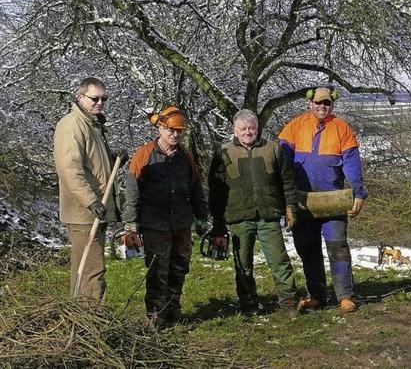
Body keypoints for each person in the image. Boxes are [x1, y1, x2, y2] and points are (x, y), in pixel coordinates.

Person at [278, 87, 367, 313]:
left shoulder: (342, 129)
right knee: (308, 250)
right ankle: (316, 295)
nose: (322, 107)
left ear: (332, 104)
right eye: (318, 103)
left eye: (326, 103)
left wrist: (358, 192)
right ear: (310, 103)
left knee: (338, 248)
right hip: (302, 201)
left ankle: (345, 296)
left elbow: (352, 164)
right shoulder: (294, 126)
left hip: (333, 201)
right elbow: (281, 162)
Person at [123, 105, 208, 327]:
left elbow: (195, 189)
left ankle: (173, 307)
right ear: (160, 127)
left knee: (179, 267)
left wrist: (201, 217)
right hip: (155, 223)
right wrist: (131, 221)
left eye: (179, 131)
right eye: (171, 130)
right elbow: (132, 191)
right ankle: (156, 313)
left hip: (181, 222)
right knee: (156, 269)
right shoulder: (144, 155)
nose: (175, 135)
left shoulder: (186, 157)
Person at [208, 109, 299, 315]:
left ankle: (289, 303)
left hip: (269, 215)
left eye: (252, 128)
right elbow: (216, 190)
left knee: (279, 261)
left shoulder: (273, 149)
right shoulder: (223, 152)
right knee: (243, 265)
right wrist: (218, 222)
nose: (248, 132)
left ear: (258, 129)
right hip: (239, 218)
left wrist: (290, 207)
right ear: (235, 130)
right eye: (243, 129)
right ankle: (248, 305)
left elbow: (287, 181)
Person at [53, 77, 127, 301]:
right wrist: (91, 201)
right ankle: (92, 320)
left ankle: (82, 317)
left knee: (85, 270)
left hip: (95, 209)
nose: (100, 103)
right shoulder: (72, 125)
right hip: (85, 212)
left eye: (104, 98)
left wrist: (115, 160)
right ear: (80, 97)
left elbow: (94, 166)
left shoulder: (93, 126)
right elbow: (69, 169)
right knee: (92, 270)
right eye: (94, 98)